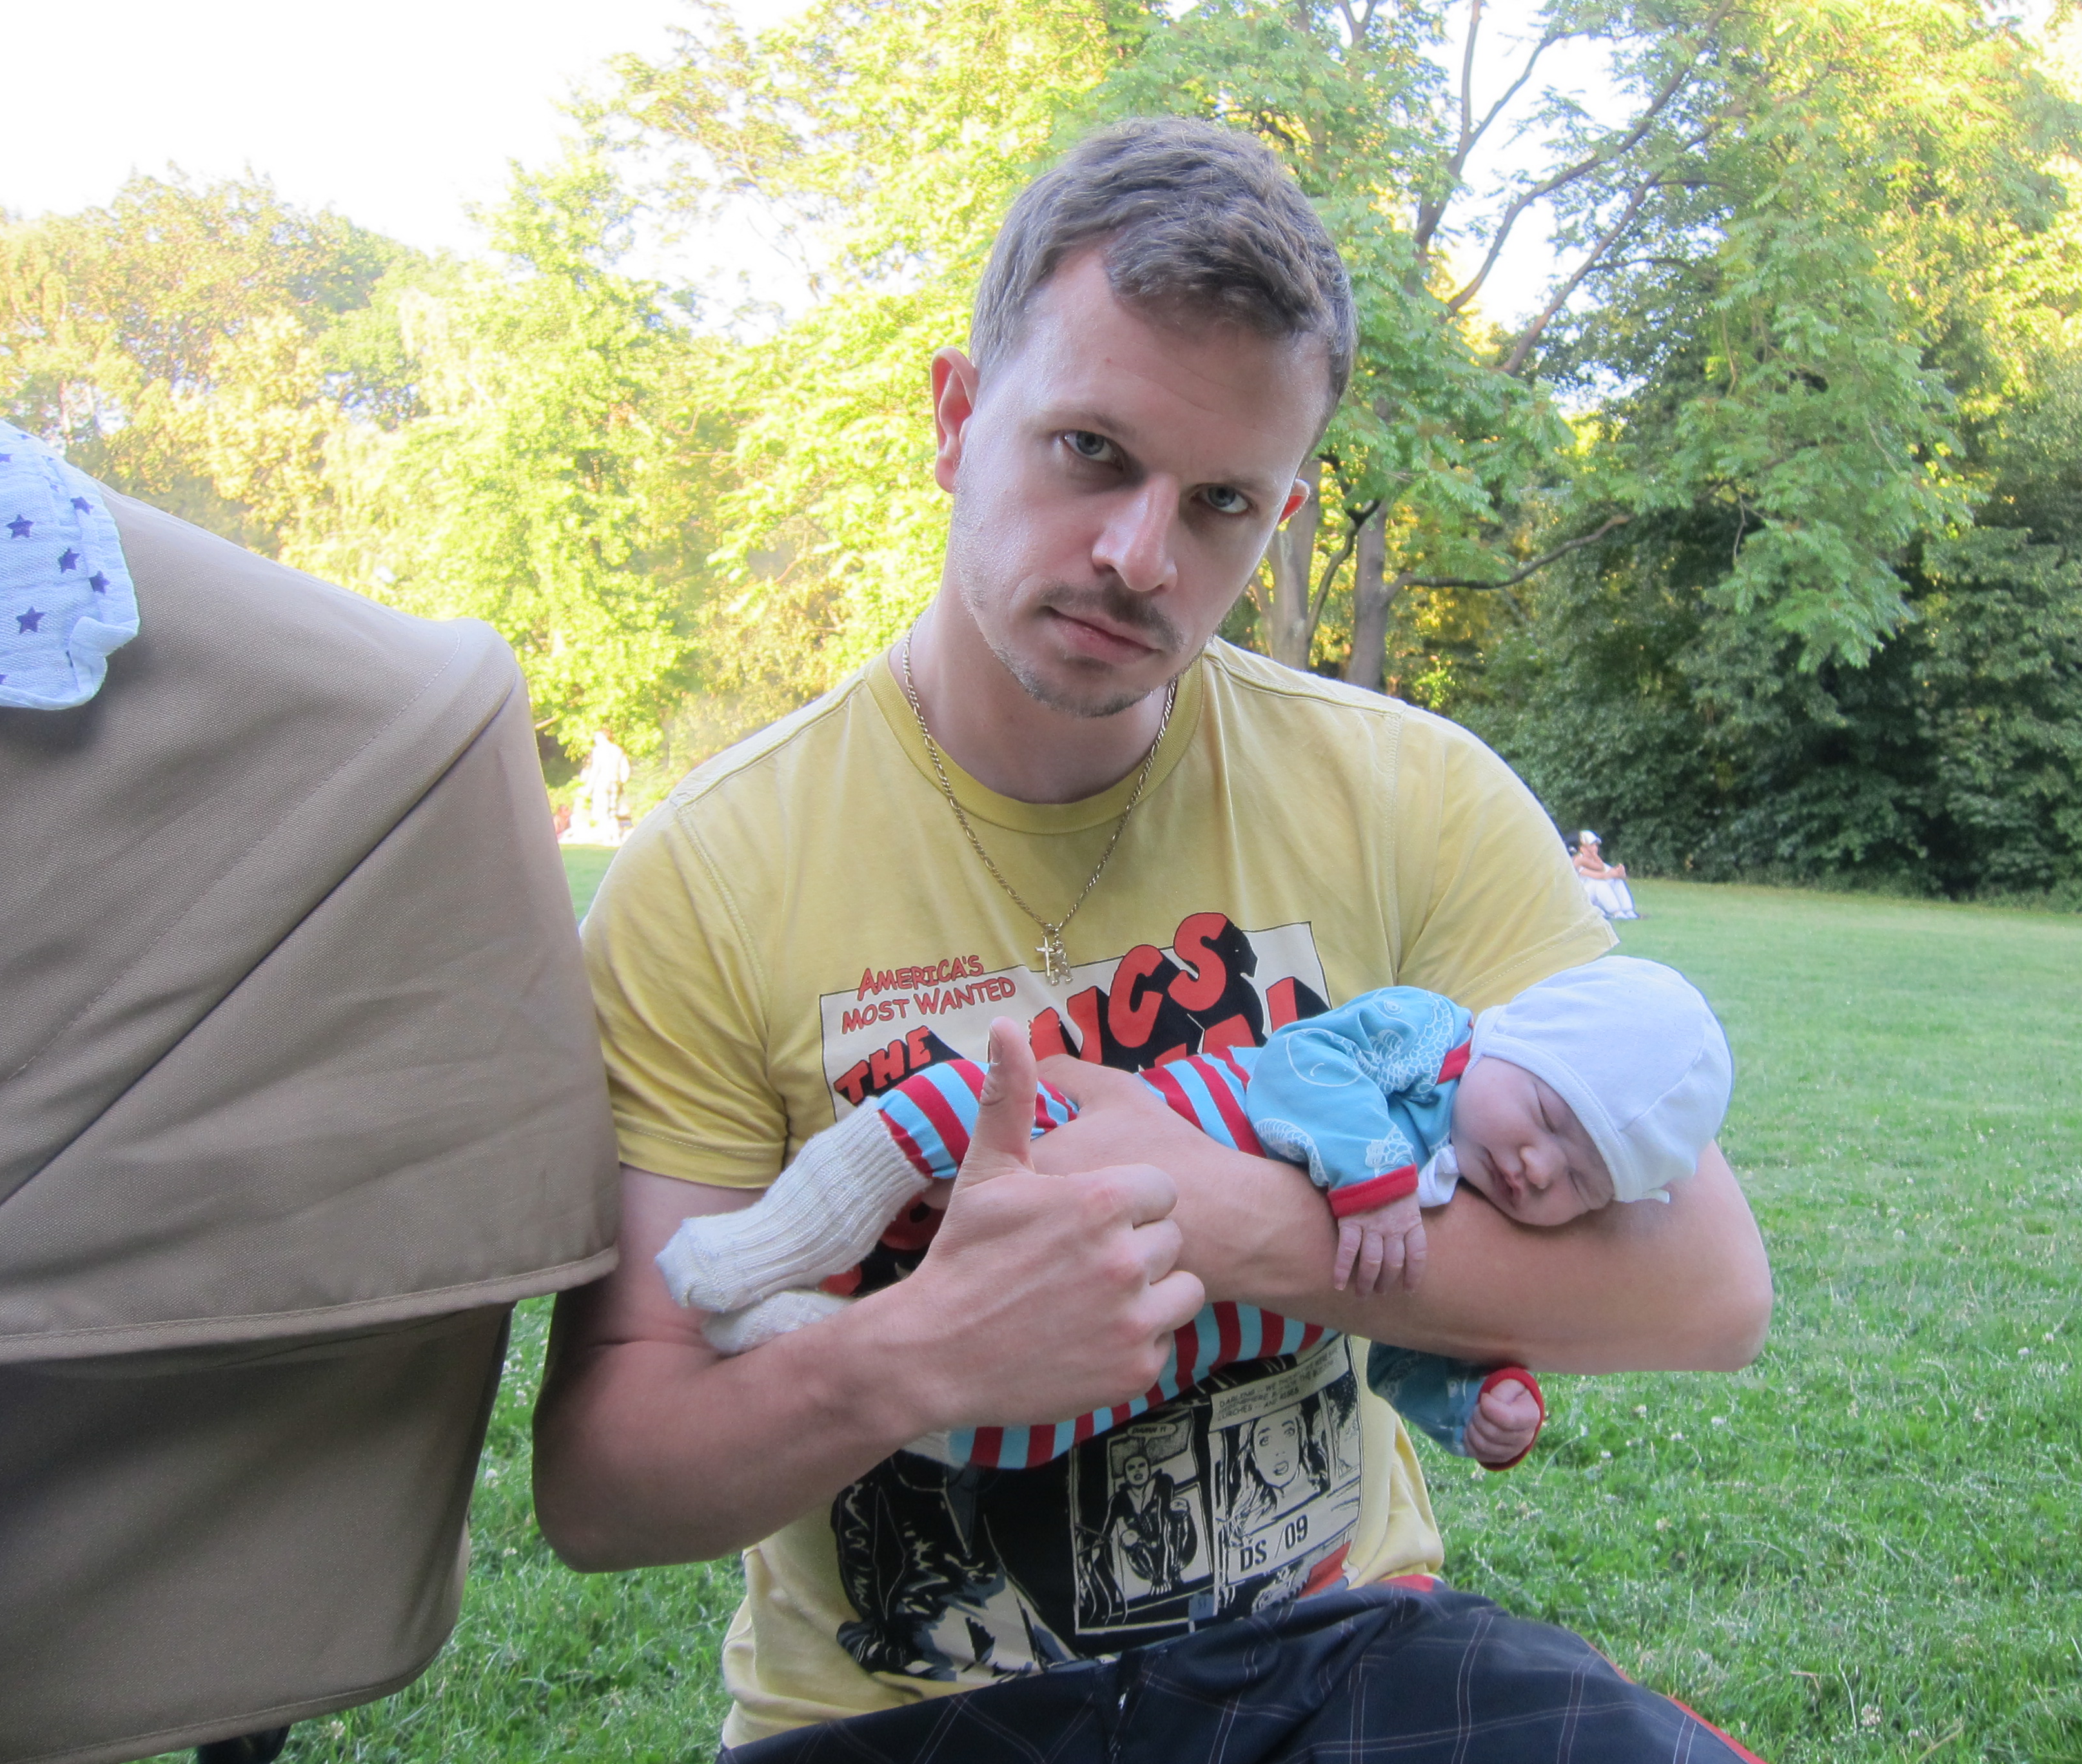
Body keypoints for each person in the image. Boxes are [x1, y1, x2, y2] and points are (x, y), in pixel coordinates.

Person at [531, 118, 1773, 1761]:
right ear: (956, 418)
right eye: (1091, 451)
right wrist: (913, 1355)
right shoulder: (714, 869)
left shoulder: (1409, 794)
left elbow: (1707, 1287)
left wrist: (1233, 1219)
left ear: (1282, 513)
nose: (1139, 556)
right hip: (912, 1717)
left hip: (1339, 1663)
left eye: (1220, 502)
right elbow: (603, 1479)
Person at [658, 954, 1734, 1473]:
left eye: (1581, 1179)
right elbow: (1301, 1062)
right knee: (964, 1099)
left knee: (1022, 1427)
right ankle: (782, 1240)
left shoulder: (1489, 1210)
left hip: (1165, 1325)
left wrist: (1482, 1401)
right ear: (1510, 1041)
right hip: (1120, 1127)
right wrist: (1368, 1178)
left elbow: (1411, 1342)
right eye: (1545, 1117)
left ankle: (806, 1336)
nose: (1538, 1169)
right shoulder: (1432, 1040)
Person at [1575, 829, 1640, 919]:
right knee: (1599, 884)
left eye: (1596, 845)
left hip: (1592, 899)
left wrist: (1621, 874)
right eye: (1592, 845)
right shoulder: (1577, 861)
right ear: (1581, 848)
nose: (1595, 848)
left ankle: (1628, 911)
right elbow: (1597, 876)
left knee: (1616, 880)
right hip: (1580, 900)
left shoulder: (1595, 861)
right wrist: (1611, 874)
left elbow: (1612, 873)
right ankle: (1616, 912)